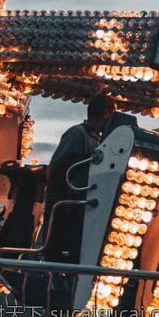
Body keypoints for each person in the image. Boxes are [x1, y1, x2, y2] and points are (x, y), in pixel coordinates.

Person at [43, 95, 116, 265]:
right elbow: (59, 166)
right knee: (56, 248)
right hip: (66, 201)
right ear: (106, 113)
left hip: (81, 203)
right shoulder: (77, 134)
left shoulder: (99, 140)